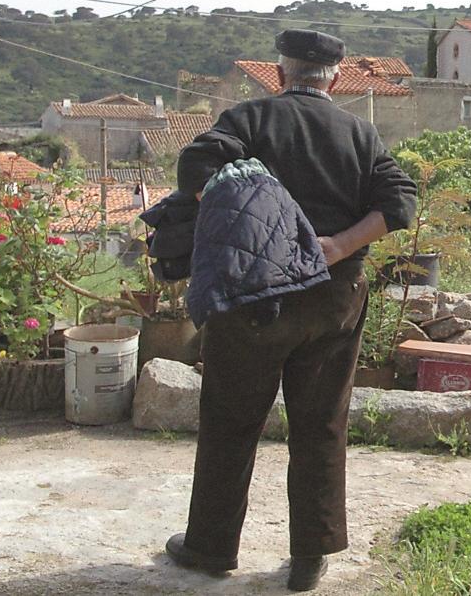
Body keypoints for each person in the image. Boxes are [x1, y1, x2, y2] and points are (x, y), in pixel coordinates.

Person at [164, 29, 417, 592]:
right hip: (335, 295)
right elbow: (398, 202)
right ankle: (310, 559)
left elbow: (197, 168)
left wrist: (255, 224)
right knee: (322, 423)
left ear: (280, 75)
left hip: (256, 295)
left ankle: (209, 548)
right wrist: (339, 246)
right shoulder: (360, 133)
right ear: (335, 79)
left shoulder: (250, 119)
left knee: (231, 420)